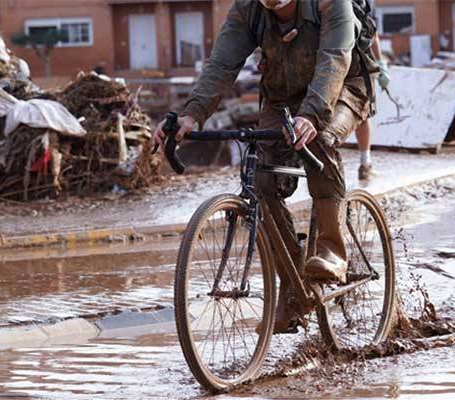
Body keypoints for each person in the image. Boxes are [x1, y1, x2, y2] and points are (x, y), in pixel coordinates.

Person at [152, 0, 373, 332]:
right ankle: (294, 287)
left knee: (320, 140)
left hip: (343, 89)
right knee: (262, 184)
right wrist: (191, 114)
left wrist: (311, 114)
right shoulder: (248, 10)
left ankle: (332, 250)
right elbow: (221, 64)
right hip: (281, 100)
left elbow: (334, 59)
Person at [354, 34, 389, 180]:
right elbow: (372, 34)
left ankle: (320, 166)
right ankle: (365, 165)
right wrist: (381, 64)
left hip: (328, 64)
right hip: (357, 67)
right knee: (363, 115)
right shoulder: (359, 11)